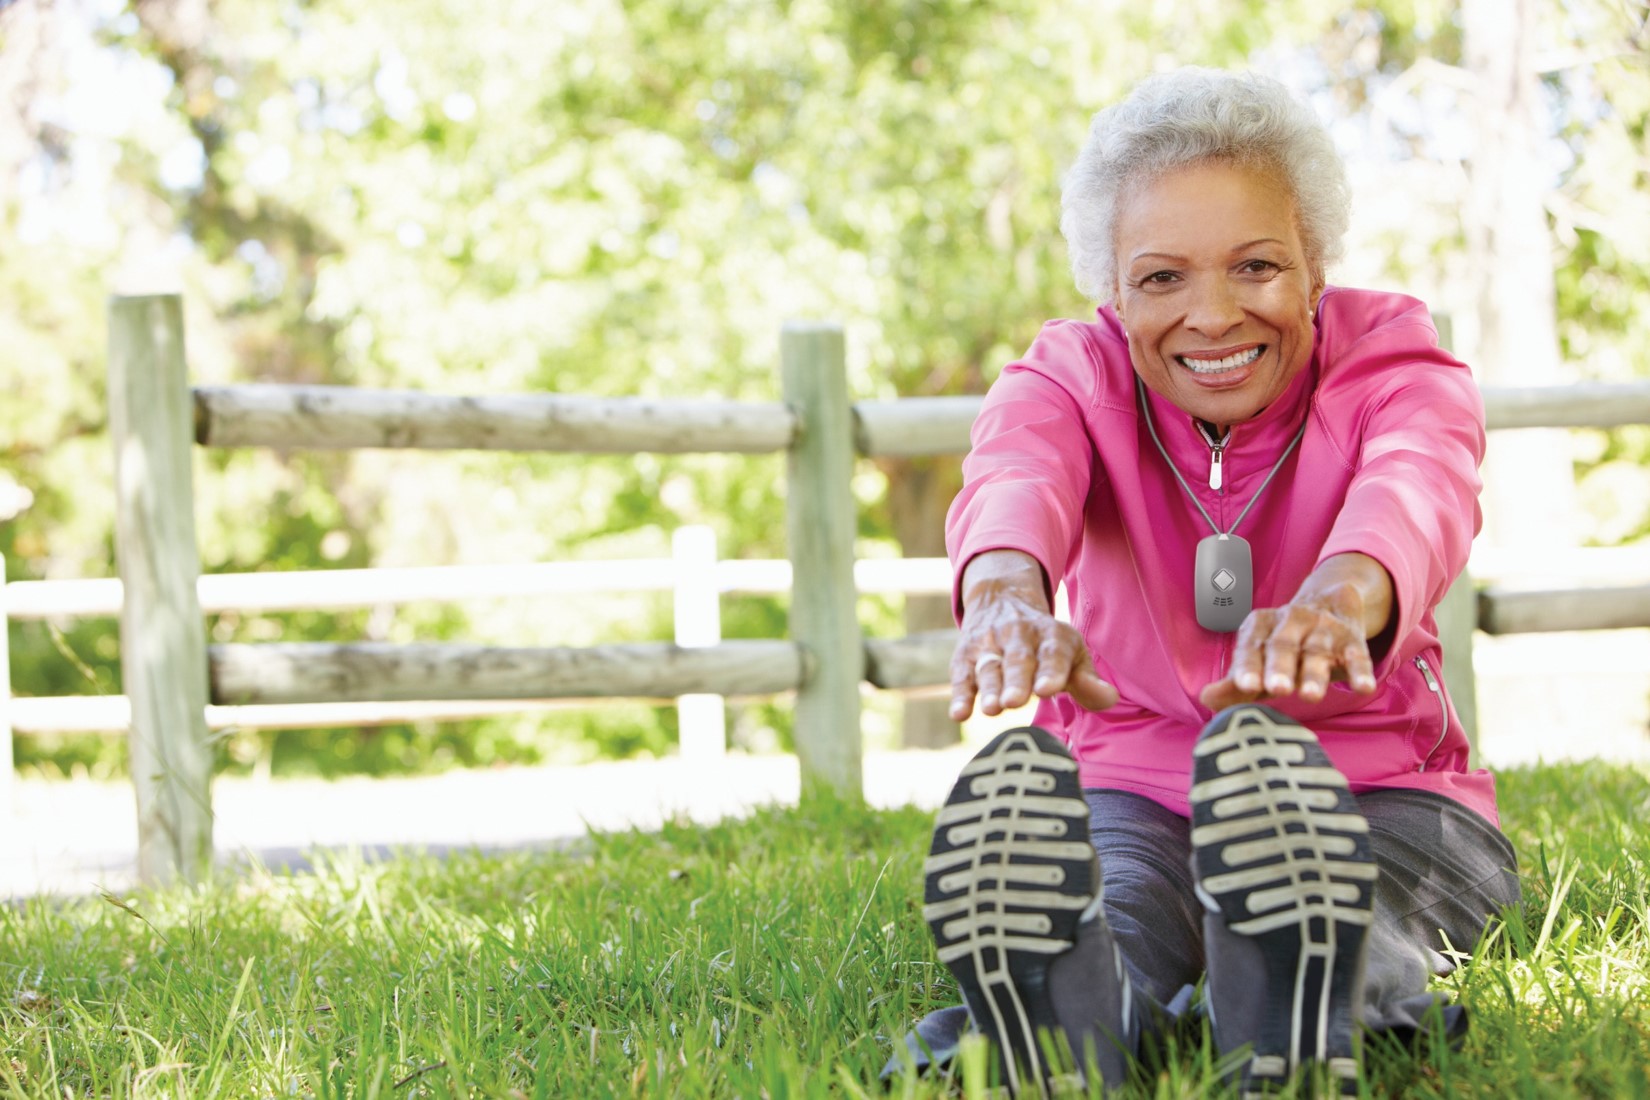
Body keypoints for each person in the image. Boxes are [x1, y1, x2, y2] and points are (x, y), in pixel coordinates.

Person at [889, 68, 1521, 1097]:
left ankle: (1304, 995)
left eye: (1257, 265)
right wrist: (1004, 593)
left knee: (1357, 905)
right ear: (1114, 288)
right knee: (1121, 906)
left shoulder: (1394, 358)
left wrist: (1339, 597)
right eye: (1164, 278)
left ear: (1317, 263)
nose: (1214, 316)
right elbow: (1017, 474)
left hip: (1382, 792)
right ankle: (1067, 1017)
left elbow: (1419, 483)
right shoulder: (1070, 374)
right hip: (1130, 784)